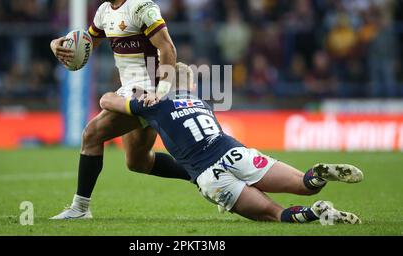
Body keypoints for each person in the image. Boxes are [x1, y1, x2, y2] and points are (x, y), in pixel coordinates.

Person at [99, 62, 363, 224]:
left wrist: (132, 100)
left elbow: (106, 100)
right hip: (235, 152)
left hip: (210, 176)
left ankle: (317, 214)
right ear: (189, 84)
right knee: (303, 185)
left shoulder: (156, 105)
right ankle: (317, 177)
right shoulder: (203, 103)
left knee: (272, 213)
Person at [49, 0, 191, 219]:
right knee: (138, 161)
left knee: (91, 134)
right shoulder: (104, 12)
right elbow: (86, 44)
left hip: (148, 92)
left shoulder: (141, 6)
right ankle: (204, 178)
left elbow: (168, 49)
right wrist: (57, 44)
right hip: (132, 91)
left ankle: (80, 208)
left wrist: (160, 92)